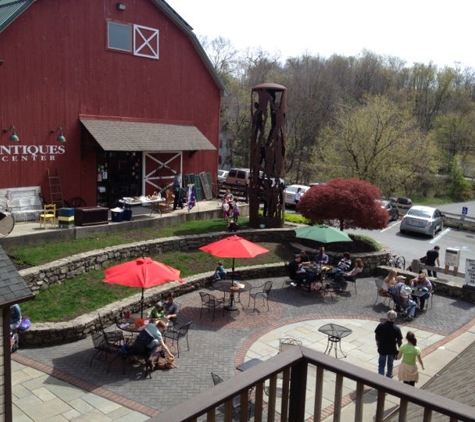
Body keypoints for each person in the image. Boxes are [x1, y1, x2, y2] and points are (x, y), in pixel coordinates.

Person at [374, 310, 403, 378]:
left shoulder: (381, 325)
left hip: (382, 348)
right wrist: (400, 350)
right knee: (390, 364)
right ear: (395, 318)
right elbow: (399, 341)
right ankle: (389, 375)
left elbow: (377, 335)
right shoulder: (396, 329)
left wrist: (377, 342)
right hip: (391, 349)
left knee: (381, 364)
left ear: (387, 316)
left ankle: (381, 378)